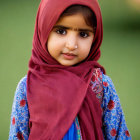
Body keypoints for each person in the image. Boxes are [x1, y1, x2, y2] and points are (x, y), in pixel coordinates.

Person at [9, 0, 131, 139]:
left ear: (95, 37)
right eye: (61, 31)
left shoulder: (101, 85)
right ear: (43, 31)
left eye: (83, 34)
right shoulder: (27, 88)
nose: (72, 45)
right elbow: (17, 135)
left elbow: (119, 135)